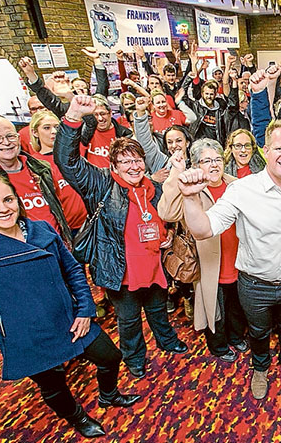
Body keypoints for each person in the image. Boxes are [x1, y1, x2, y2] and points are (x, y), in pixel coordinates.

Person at [0, 173, 140, 438]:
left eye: (8, 199)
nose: (3, 208)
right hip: (28, 335)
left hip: (69, 320)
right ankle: (77, 418)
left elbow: (73, 270)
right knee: (54, 386)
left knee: (111, 357)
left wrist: (85, 310)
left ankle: (109, 396)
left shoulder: (41, 229)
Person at [175, 119, 281, 400]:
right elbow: (204, 229)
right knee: (259, 331)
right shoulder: (242, 189)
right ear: (264, 150)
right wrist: (190, 199)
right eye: (279, 148)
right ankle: (260, 367)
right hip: (254, 285)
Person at [55, 95, 188, 380]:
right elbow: (67, 162)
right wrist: (73, 117)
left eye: (137, 160)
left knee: (157, 309)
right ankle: (134, 357)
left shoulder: (154, 187)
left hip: (154, 264)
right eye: (124, 161)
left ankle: (166, 340)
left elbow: (166, 216)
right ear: (113, 165)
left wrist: (167, 236)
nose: (132, 166)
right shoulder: (100, 183)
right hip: (121, 269)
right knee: (129, 321)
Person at [158, 141, 249, 363]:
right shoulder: (192, 188)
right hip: (209, 263)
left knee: (236, 304)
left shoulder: (236, 185)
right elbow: (167, 212)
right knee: (213, 307)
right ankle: (218, 345)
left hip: (237, 259)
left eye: (218, 159)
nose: (214, 165)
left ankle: (236, 336)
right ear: (197, 165)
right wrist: (176, 174)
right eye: (207, 161)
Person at [0, 114, 81, 242]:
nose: (6, 142)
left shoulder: (40, 167)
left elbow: (58, 211)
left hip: (56, 248)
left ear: (18, 138)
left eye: (10, 136)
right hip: (13, 256)